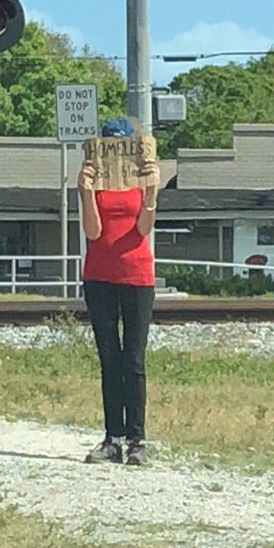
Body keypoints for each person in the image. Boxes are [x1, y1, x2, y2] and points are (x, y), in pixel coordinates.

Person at [78, 117, 160, 466]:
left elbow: (142, 229)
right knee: (109, 358)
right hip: (99, 275)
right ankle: (112, 438)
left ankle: (137, 441)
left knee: (134, 359)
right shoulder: (96, 183)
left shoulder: (140, 182)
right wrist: (84, 192)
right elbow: (93, 232)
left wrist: (153, 190)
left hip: (137, 275)